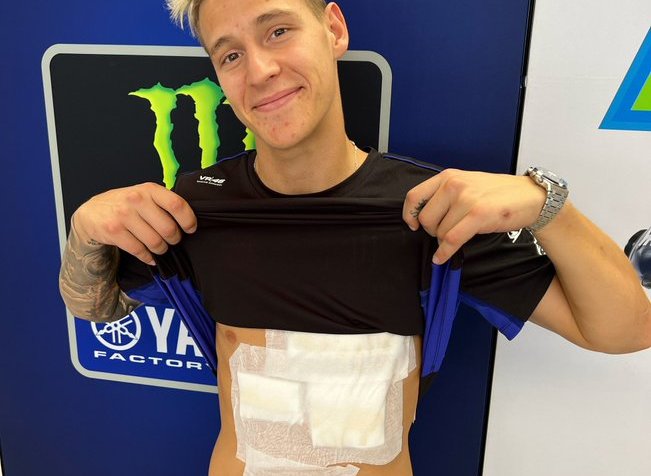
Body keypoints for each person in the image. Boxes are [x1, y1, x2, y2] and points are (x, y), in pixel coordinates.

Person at [58, 0, 651, 474]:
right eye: (231, 54)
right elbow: (96, 307)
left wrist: (548, 206)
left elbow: (626, 330)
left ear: (334, 29)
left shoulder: (432, 212)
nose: (259, 71)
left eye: (278, 31)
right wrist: (85, 230)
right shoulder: (195, 210)